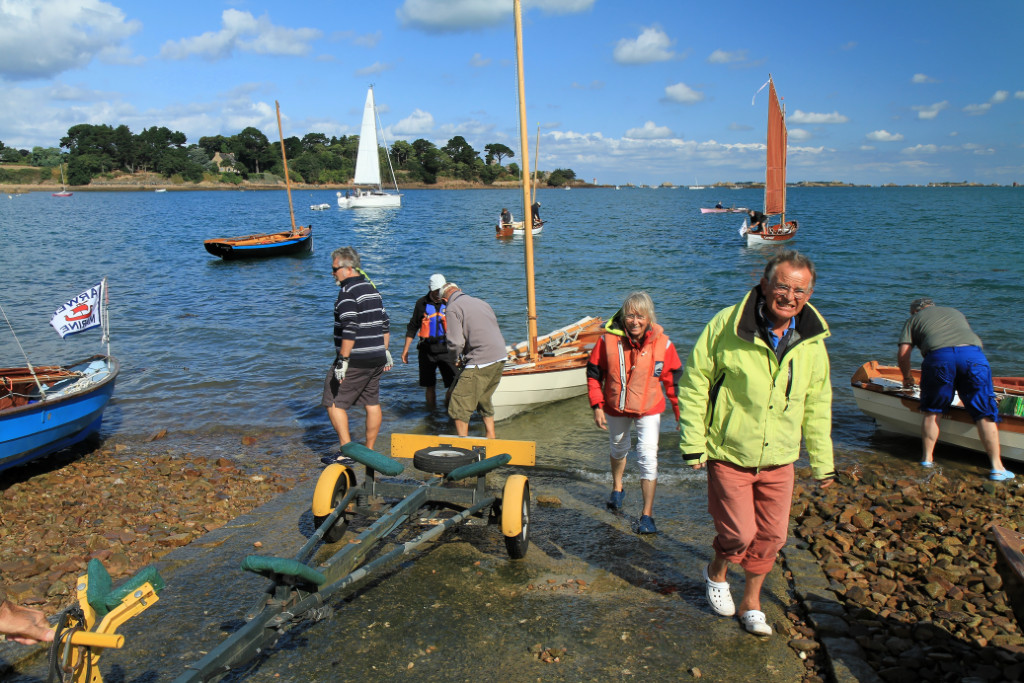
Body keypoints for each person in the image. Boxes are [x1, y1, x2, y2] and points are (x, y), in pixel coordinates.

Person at [678, 250, 835, 637]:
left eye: (799, 290)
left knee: (772, 537)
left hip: (780, 457)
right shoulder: (726, 325)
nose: (789, 296)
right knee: (739, 534)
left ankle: (751, 601)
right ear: (764, 285)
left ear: (810, 294)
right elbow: (696, 383)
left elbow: (817, 403)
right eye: (782, 286)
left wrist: (823, 461)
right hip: (730, 452)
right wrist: (693, 443)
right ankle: (717, 570)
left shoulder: (812, 341)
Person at [586, 291, 682, 534]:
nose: (635, 321)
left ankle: (647, 515)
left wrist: (681, 413)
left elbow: (674, 380)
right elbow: (594, 373)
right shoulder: (607, 341)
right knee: (619, 448)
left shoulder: (664, 343)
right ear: (623, 317)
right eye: (630, 315)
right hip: (615, 406)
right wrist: (597, 405)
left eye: (640, 316)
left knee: (648, 458)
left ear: (649, 317)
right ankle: (618, 487)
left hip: (649, 407)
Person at [897, 298, 1011, 480]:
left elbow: (903, 354)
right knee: (984, 412)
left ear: (914, 312)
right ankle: (997, 468)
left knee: (932, 411)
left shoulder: (913, 320)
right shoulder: (955, 312)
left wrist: (907, 377)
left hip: (939, 358)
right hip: (973, 357)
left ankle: (927, 460)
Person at [321, 246, 392, 459]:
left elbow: (350, 327)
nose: (332, 273)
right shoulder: (372, 289)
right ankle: (369, 451)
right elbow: (385, 322)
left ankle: (346, 451)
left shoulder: (347, 293)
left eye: (335, 269)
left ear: (348, 268)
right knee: (372, 403)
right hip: (377, 356)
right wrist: (385, 351)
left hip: (356, 359)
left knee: (332, 401)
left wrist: (343, 360)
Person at [441, 283, 506, 439]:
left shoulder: (452, 308)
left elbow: (455, 342)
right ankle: (492, 436)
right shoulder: (482, 302)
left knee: (459, 403)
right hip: (500, 356)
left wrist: (454, 359)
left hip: (480, 359)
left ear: (444, 300)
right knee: (483, 398)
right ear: (460, 291)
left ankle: (464, 445)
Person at [401, 273, 457, 411]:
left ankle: (447, 406)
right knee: (429, 385)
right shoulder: (421, 303)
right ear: (429, 289)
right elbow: (413, 326)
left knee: (454, 384)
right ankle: (432, 413)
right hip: (427, 351)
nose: (438, 293)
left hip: (446, 350)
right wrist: (405, 350)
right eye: (435, 290)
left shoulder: (449, 302)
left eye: (440, 290)